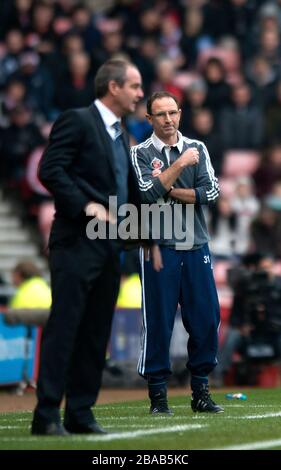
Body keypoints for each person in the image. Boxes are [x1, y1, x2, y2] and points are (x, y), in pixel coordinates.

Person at [31, 59, 144, 436]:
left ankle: (80, 411)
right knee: (66, 327)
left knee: (96, 332)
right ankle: (46, 413)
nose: (140, 93)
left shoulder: (121, 133)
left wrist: (149, 238)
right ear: (113, 87)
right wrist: (85, 205)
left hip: (109, 246)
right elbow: (50, 169)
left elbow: (128, 192)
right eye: (134, 86)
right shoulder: (77, 120)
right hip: (77, 241)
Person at [131, 91, 223, 414]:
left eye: (172, 113)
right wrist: (181, 166)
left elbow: (211, 192)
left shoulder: (198, 147)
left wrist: (167, 188)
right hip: (159, 248)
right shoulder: (140, 153)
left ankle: (200, 391)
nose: (168, 120)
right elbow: (145, 194)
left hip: (196, 244)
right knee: (158, 322)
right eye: (161, 115)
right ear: (149, 120)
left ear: (180, 114)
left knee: (207, 318)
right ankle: (158, 397)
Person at [9, 261, 52, 395]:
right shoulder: (44, 286)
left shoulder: (23, 293)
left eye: (13, 275)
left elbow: (11, 319)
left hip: (32, 338)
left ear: (20, 275)